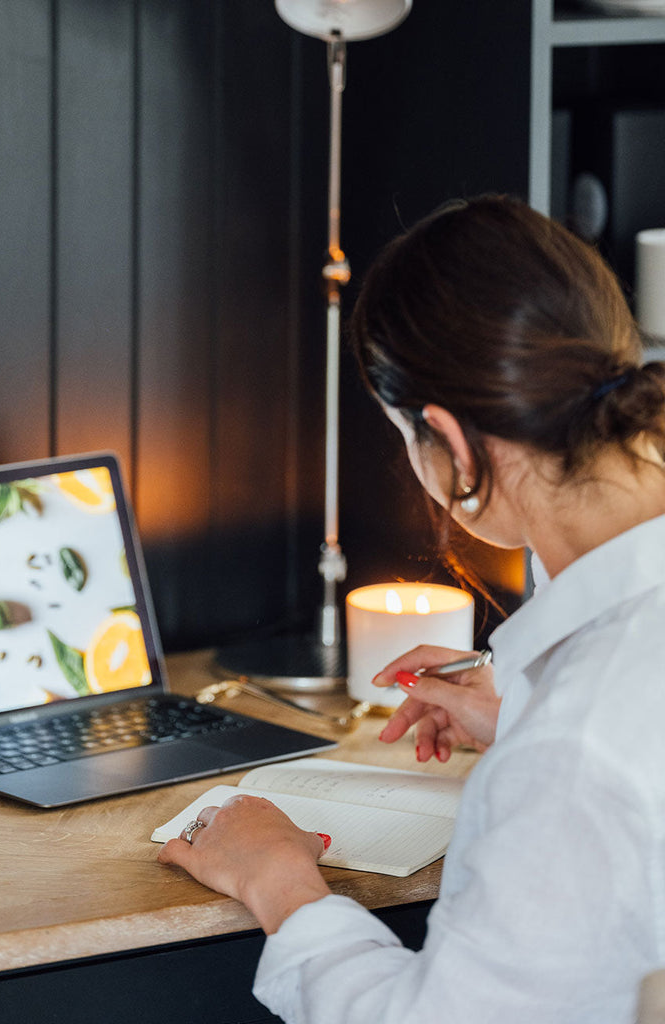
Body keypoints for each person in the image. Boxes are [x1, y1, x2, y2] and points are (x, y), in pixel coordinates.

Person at [158, 194, 665, 1022]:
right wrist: (524, 716)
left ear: (453, 444)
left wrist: (277, 877)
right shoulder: (589, 717)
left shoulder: (574, 754)